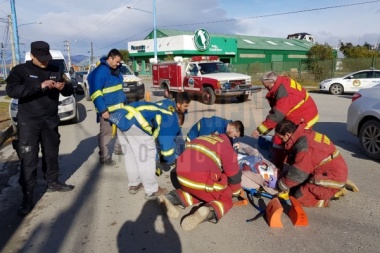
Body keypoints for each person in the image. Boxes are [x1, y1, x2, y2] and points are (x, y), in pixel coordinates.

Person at [6, 41, 75, 215]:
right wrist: (40, 86)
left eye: (47, 58)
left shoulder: (54, 69)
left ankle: (53, 182)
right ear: (33, 56)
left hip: (50, 120)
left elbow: (69, 91)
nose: (45, 62)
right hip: (29, 121)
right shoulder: (20, 70)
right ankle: (27, 197)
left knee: (51, 153)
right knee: (29, 159)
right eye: (41, 59)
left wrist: (63, 86)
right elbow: (12, 91)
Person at [157, 134, 242, 231]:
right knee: (225, 195)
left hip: (181, 175)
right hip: (200, 177)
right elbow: (234, 176)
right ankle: (209, 211)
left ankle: (171, 198)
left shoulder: (203, 137)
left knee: (197, 192)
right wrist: (236, 192)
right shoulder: (227, 147)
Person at [108, 101, 181, 199]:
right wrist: (171, 160)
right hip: (133, 122)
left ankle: (134, 184)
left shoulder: (159, 107)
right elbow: (166, 148)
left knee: (130, 154)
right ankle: (152, 190)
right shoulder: (171, 119)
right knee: (145, 156)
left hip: (120, 118)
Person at [251, 71, 319, 168]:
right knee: (282, 137)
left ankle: (281, 165)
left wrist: (259, 130)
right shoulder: (282, 81)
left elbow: (277, 115)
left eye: (267, 86)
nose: (266, 89)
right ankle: (285, 158)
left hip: (304, 116)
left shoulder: (283, 92)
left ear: (273, 82)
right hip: (301, 111)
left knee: (286, 138)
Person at [274, 120, 348, 207]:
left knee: (298, 196)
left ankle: (331, 195)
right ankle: (334, 187)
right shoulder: (304, 133)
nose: (282, 141)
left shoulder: (304, 146)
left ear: (288, 134)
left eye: (282, 138)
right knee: (294, 184)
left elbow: (299, 173)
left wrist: (281, 185)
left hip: (334, 176)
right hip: (332, 170)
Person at [88, 49, 127, 166]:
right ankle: (104, 157)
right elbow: (95, 93)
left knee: (123, 130)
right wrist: (103, 110)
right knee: (106, 133)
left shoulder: (116, 70)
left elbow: (118, 90)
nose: (118, 64)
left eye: (120, 62)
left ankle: (118, 149)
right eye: (117, 61)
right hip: (107, 110)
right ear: (110, 58)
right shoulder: (99, 72)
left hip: (119, 108)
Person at [156, 92, 191, 156]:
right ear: (178, 104)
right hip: (153, 123)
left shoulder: (179, 108)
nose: (186, 108)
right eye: (185, 106)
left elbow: (178, 128)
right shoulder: (169, 111)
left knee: (180, 143)